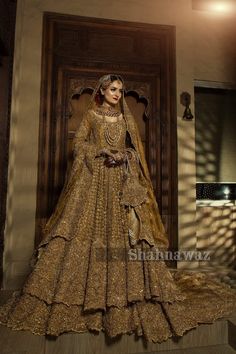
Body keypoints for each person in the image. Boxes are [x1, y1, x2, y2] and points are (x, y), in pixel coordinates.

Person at [0, 74, 235, 343]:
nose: (117, 94)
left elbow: (136, 152)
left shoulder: (125, 119)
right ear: (101, 90)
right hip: (93, 182)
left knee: (128, 238)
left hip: (121, 184)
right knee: (78, 233)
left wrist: (125, 155)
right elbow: (78, 146)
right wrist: (101, 152)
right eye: (113, 89)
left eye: (121, 91)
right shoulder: (92, 117)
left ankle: (128, 296)